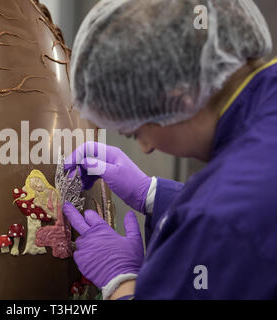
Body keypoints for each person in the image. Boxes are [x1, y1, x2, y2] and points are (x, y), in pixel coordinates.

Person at [62, 0, 277, 299]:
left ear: (180, 97)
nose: (146, 148)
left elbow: (231, 221)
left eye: (137, 131)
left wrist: (121, 284)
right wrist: (154, 194)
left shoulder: (220, 218)